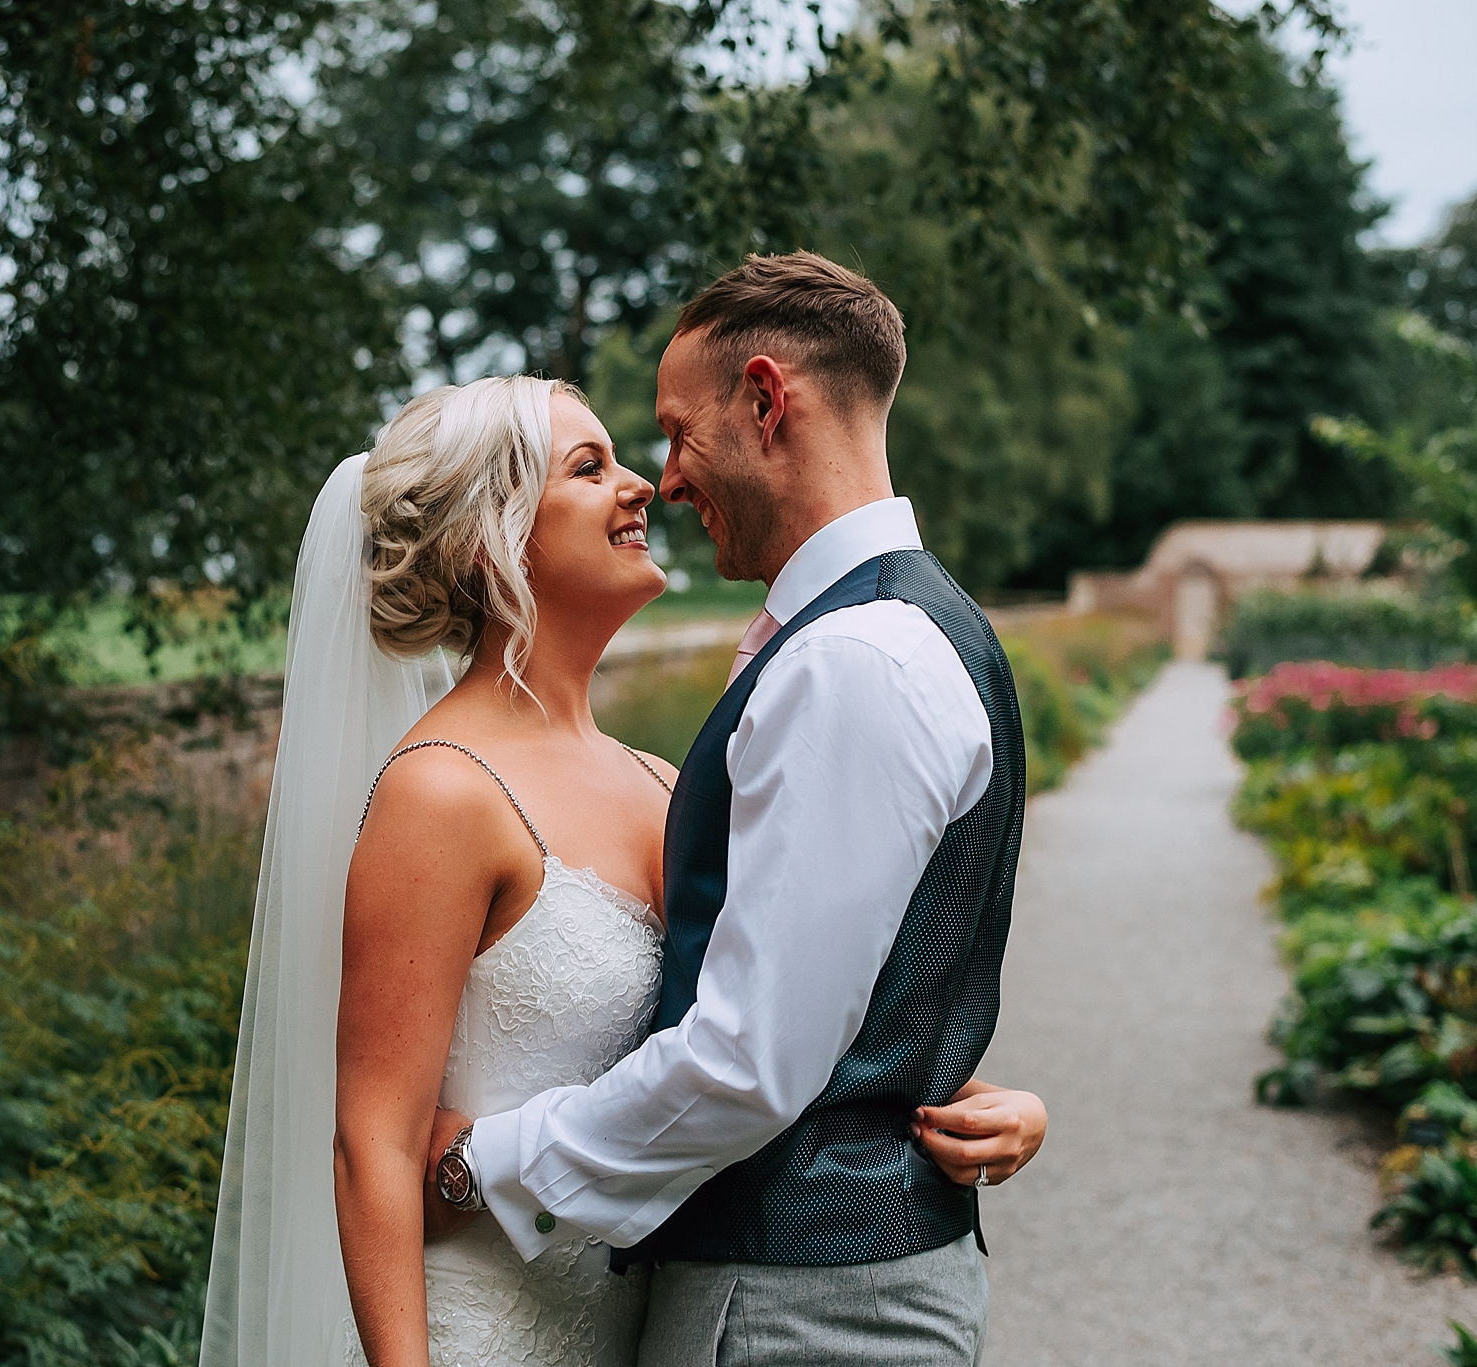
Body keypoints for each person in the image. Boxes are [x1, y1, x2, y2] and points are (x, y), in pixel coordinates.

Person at [200, 256, 1043, 1367]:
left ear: (763, 399)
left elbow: (772, 1014)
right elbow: (372, 1141)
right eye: (592, 465)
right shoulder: (441, 789)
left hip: (637, 1315)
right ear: (492, 536)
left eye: (656, 441)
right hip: (488, 1325)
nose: (651, 481)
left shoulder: (663, 776)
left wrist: (949, 1090)